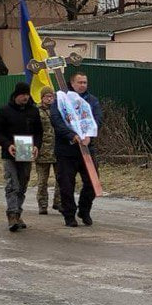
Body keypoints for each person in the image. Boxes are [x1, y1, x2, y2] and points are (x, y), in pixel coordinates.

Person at [50, 72, 103, 227]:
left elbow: (97, 119)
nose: (83, 85)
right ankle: (69, 215)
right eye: (79, 82)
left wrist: (89, 136)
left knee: (92, 182)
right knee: (66, 184)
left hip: (86, 148)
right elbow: (56, 120)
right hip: (67, 150)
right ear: (72, 83)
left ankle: (84, 210)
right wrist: (71, 135)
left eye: (85, 82)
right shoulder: (60, 99)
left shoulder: (91, 101)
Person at [0, 82, 44, 232]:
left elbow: (39, 132)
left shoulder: (33, 111)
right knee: (12, 184)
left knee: (22, 184)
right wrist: (7, 144)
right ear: (16, 95)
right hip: (10, 152)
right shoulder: (4, 111)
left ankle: (18, 212)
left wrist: (36, 146)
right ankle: (12, 214)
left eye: (27, 94)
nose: (25, 97)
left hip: (26, 149)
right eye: (23, 95)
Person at [33, 87, 60, 214]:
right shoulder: (36, 111)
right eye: (47, 96)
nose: (50, 99)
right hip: (42, 151)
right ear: (42, 97)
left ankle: (58, 202)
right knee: (42, 181)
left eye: (51, 96)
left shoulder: (58, 110)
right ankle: (42, 205)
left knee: (60, 179)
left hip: (57, 150)